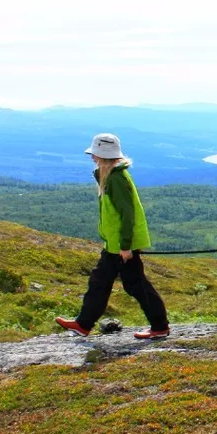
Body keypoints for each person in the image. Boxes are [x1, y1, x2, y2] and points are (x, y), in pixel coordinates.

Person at [55, 133, 170, 339]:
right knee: (103, 281)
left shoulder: (117, 179)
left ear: (104, 156)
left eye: (96, 154)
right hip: (115, 244)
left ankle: (159, 326)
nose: (92, 157)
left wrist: (125, 246)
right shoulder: (110, 175)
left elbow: (128, 215)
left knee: (135, 285)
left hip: (121, 245)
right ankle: (83, 324)